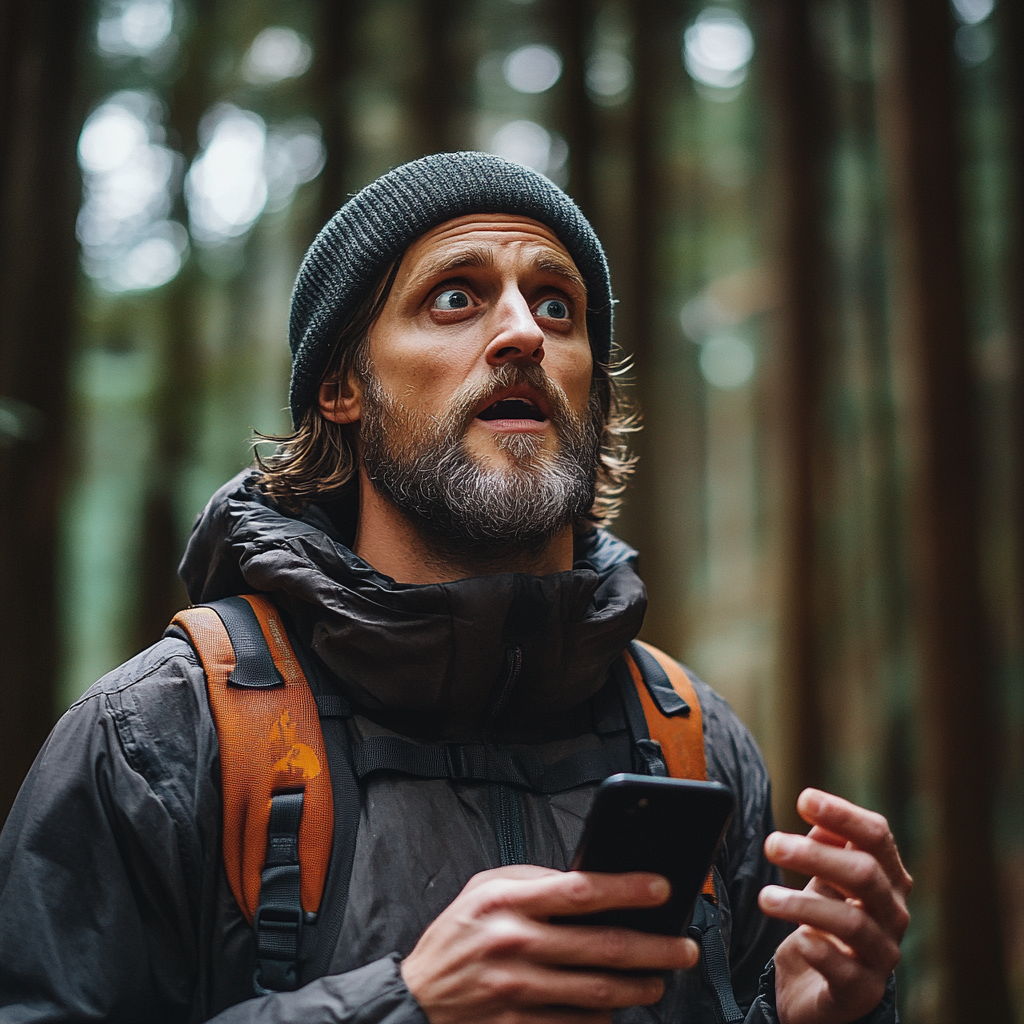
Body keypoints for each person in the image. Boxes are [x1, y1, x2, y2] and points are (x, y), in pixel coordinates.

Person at [0, 152, 910, 1024]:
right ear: (340, 387)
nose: (522, 332)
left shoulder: (694, 744)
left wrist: (818, 1015)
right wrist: (404, 1006)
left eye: (558, 306)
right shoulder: (160, 737)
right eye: (455, 297)